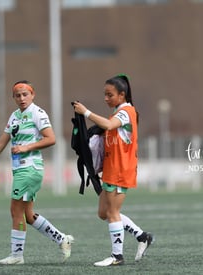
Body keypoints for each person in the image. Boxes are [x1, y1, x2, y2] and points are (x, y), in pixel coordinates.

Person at [0, 80, 74, 265]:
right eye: (18, 95)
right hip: (20, 170)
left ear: (32, 95)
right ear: (13, 97)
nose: (22, 98)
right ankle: (62, 239)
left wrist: (27, 147)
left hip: (30, 168)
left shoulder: (37, 113)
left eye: (25, 94)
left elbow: (51, 138)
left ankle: (17, 256)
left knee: (15, 211)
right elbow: (2, 141)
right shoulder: (15, 116)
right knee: (28, 215)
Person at [72, 74, 154, 267]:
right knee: (104, 213)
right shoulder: (118, 111)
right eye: (105, 94)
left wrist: (86, 112)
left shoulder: (126, 111)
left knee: (112, 212)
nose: (106, 98)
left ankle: (117, 256)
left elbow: (109, 125)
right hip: (110, 169)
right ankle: (143, 236)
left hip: (121, 169)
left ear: (122, 95)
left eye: (110, 95)